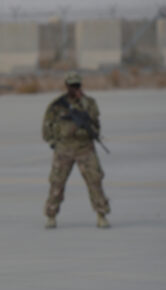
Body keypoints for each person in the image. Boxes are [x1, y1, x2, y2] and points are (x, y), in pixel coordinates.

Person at [42, 72, 111, 229]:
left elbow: (96, 125)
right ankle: (51, 216)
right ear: (66, 86)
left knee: (95, 181)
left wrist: (88, 131)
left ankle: (102, 214)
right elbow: (47, 127)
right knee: (56, 183)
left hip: (85, 148)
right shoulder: (57, 105)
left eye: (77, 85)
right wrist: (54, 143)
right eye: (72, 86)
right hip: (64, 149)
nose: (75, 88)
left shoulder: (89, 103)